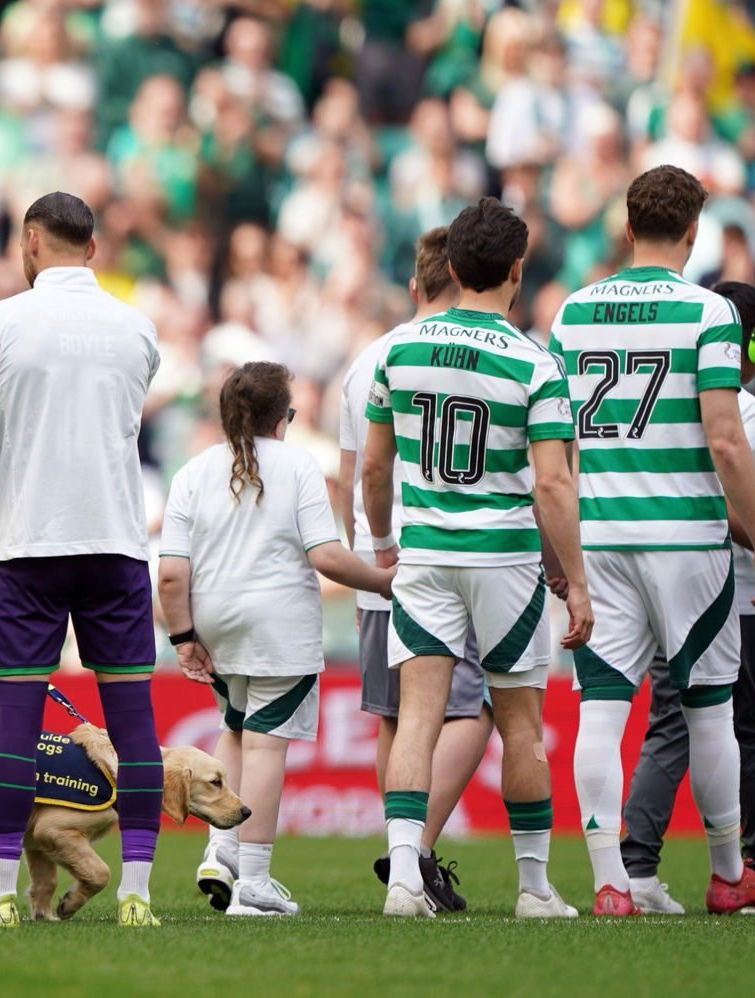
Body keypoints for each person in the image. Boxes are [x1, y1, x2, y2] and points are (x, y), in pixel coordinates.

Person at [553, 167, 755, 915]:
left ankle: (610, 884)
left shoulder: (573, 313)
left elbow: (555, 445)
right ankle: (728, 874)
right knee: (710, 707)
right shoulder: (708, 312)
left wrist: (560, 550)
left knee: (601, 708)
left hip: (600, 534)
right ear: (692, 231)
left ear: (627, 227)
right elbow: (726, 438)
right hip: (686, 539)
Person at [0, 192, 163, 928]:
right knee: (132, 724)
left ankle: (0, 893)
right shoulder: (137, 326)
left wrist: (13, 428)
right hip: (115, 542)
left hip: (29, 544)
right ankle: (136, 896)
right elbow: (118, 421)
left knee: (16, 723)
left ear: (31, 241)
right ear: (92, 247)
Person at [366, 197, 590, 919]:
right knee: (520, 724)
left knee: (417, 717)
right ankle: (533, 889)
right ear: (517, 269)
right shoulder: (534, 361)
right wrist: (575, 579)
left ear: (454, 266)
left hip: (426, 551)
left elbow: (373, 466)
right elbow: (552, 484)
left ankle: (405, 878)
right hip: (504, 559)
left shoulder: (398, 349)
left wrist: (384, 541)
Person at [159, 361, 394, 916]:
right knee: (265, 744)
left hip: (214, 624)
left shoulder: (192, 471)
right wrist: (384, 581)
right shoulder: (297, 464)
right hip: (278, 625)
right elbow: (326, 556)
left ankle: (221, 851)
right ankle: (253, 881)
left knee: (235, 729)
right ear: (280, 418)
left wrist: (183, 637)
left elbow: (169, 573)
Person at [336, 227, 493, 913]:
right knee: (477, 706)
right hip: (453, 554)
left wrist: (368, 557)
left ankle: (402, 851)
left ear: (414, 285)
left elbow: (355, 474)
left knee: (395, 716)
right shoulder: (478, 351)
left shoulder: (367, 359)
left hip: (381, 560)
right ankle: (417, 852)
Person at [618, 280, 755, 913]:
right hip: (735, 594)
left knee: (669, 723)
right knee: (750, 727)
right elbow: (729, 506)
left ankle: (636, 868)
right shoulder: (748, 411)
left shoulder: (672, 393)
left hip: (669, 581)